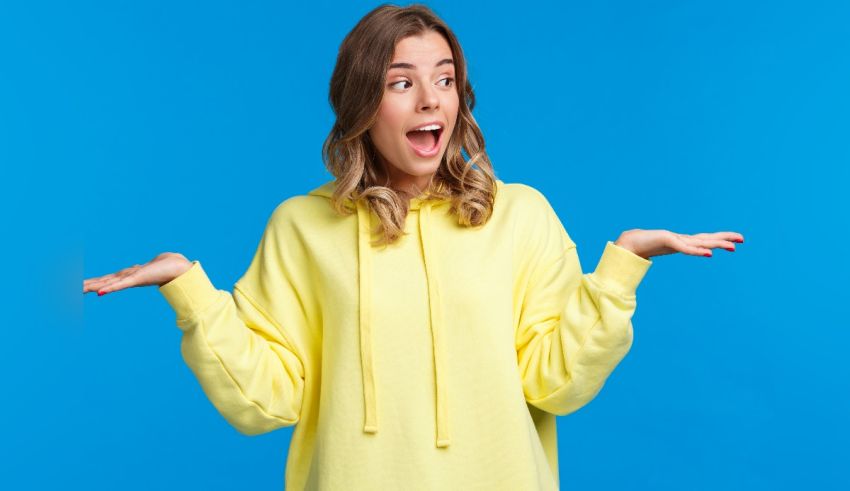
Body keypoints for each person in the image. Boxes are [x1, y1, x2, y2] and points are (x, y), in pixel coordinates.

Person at [82, 4, 744, 490]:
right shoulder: (302, 227)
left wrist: (622, 268)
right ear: (363, 103)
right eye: (402, 82)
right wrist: (190, 291)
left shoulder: (520, 215)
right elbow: (266, 400)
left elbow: (557, 382)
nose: (431, 100)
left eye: (445, 79)